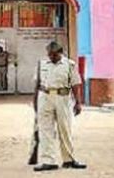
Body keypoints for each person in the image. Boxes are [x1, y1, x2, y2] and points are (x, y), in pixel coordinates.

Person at [32, 41, 86, 172]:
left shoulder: (69, 65)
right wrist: (35, 101)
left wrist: (78, 102)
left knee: (65, 128)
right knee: (45, 129)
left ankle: (68, 159)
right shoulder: (41, 64)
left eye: (54, 55)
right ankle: (48, 161)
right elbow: (37, 83)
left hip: (63, 98)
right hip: (45, 97)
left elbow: (75, 84)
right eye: (50, 54)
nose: (52, 57)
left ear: (61, 53)